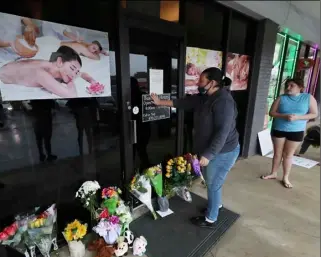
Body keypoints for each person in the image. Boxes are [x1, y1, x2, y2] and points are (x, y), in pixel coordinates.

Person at [151, 67, 240, 228]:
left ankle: (211, 219)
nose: (198, 83)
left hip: (223, 152)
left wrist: (208, 154)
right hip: (212, 150)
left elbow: (223, 132)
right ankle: (216, 205)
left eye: (201, 80)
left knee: (213, 184)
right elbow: (183, 103)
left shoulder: (223, 101)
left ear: (212, 83)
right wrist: (159, 102)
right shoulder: (205, 97)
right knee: (211, 181)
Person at [261, 78, 318, 188]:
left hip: (296, 131)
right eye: (287, 85)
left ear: (300, 87)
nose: (288, 88)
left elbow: (314, 114)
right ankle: (273, 173)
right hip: (279, 129)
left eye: (292, 85)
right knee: (277, 153)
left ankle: (285, 177)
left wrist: (298, 118)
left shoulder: (308, 98)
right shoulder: (281, 98)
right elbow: (272, 112)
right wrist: (284, 116)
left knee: (288, 155)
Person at [0, 46, 95, 98]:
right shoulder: (41, 73)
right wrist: (70, 81)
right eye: (72, 68)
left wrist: (92, 81)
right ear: (60, 61)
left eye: (76, 71)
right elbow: (72, 95)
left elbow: (82, 74)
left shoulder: (54, 67)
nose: (74, 74)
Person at [131, 77, 151, 170]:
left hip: (135, 127)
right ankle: (145, 167)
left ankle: (132, 169)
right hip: (144, 127)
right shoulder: (143, 95)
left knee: (134, 150)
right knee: (142, 150)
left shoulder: (129, 97)